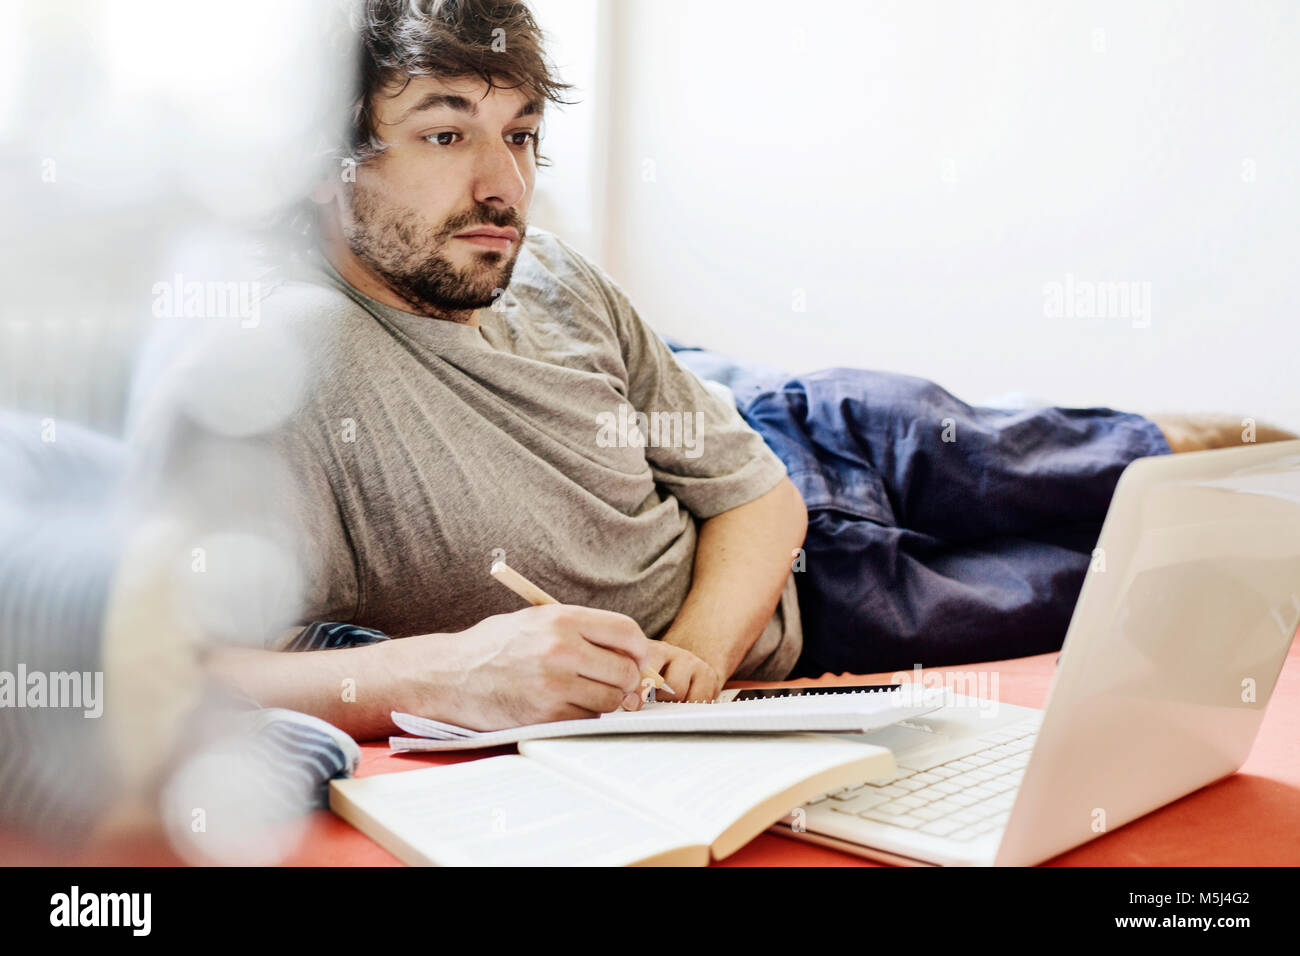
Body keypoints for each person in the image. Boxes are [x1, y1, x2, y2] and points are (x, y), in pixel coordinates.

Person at [138, 0, 1293, 740]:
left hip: (803, 442)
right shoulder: (265, 363)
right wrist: (445, 670)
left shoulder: (548, 274)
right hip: (823, 613)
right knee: (1177, 581)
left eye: (522, 133)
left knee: (1133, 452)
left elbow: (754, 494)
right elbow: (182, 669)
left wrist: (692, 657)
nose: (503, 185)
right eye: (446, 132)